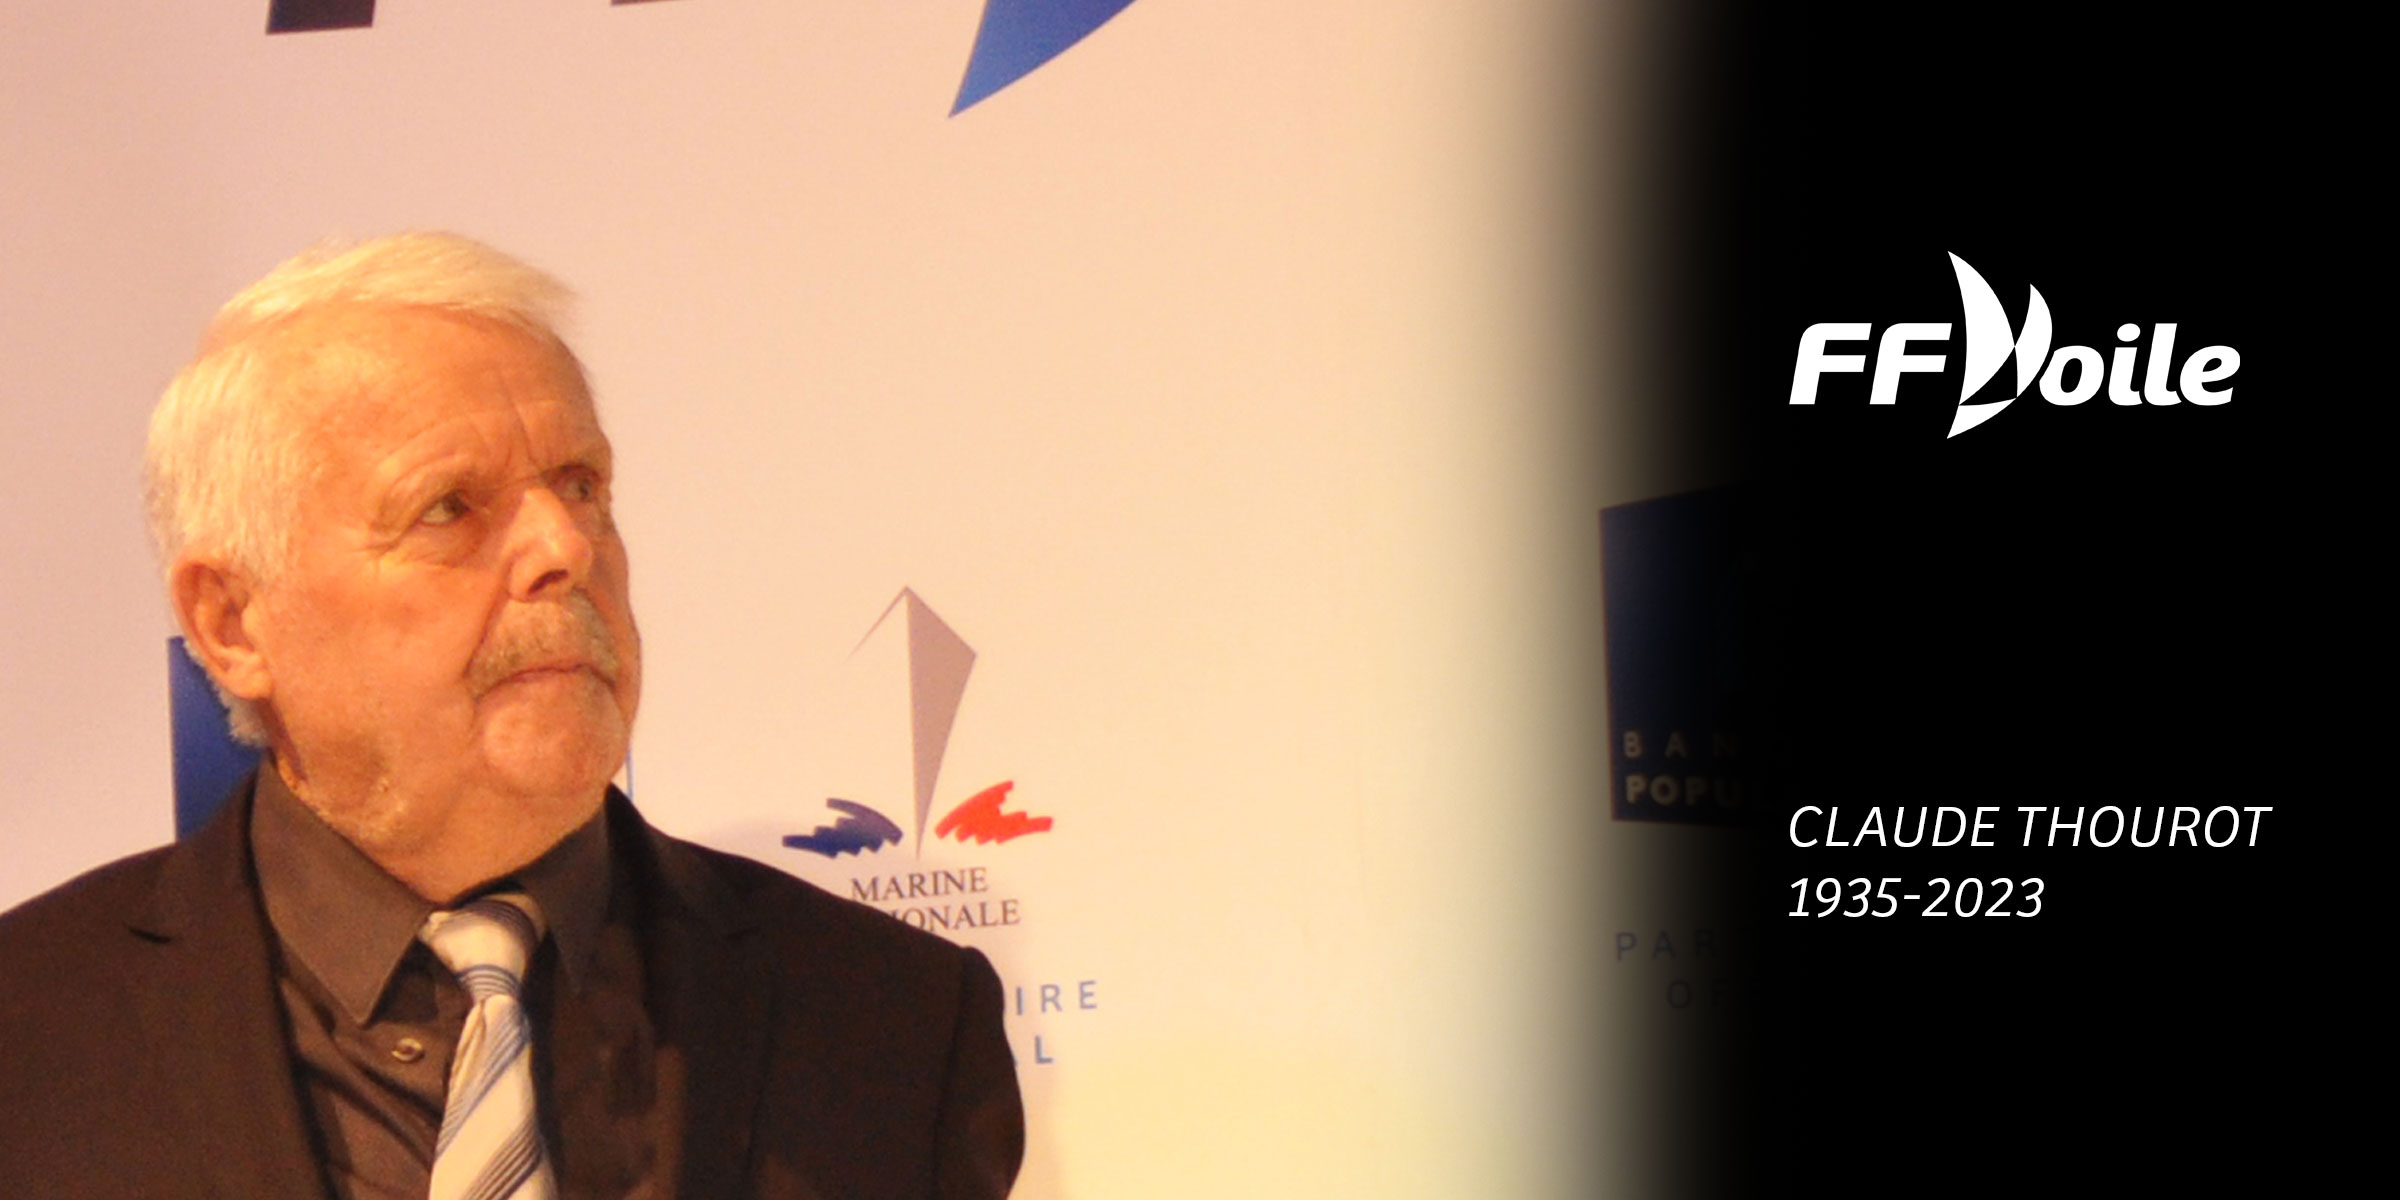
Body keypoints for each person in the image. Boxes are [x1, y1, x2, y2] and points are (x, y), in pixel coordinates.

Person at [0, 233, 1024, 1199]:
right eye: (448, 506)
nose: (565, 549)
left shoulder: (897, 1024)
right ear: (233, 624)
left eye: (580, 486)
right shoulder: (31, 1038)